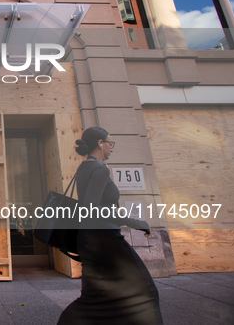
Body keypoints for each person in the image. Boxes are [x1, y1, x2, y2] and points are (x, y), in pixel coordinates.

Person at [58, 127, 163, 325]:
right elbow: (91, 208)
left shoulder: (84, 168)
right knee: (145, 291)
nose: (111, 148)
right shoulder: (100, 169)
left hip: (91, 239)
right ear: (100, 143)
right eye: (110, 143)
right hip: (105, 240)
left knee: (94, 297)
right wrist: (135, 222)